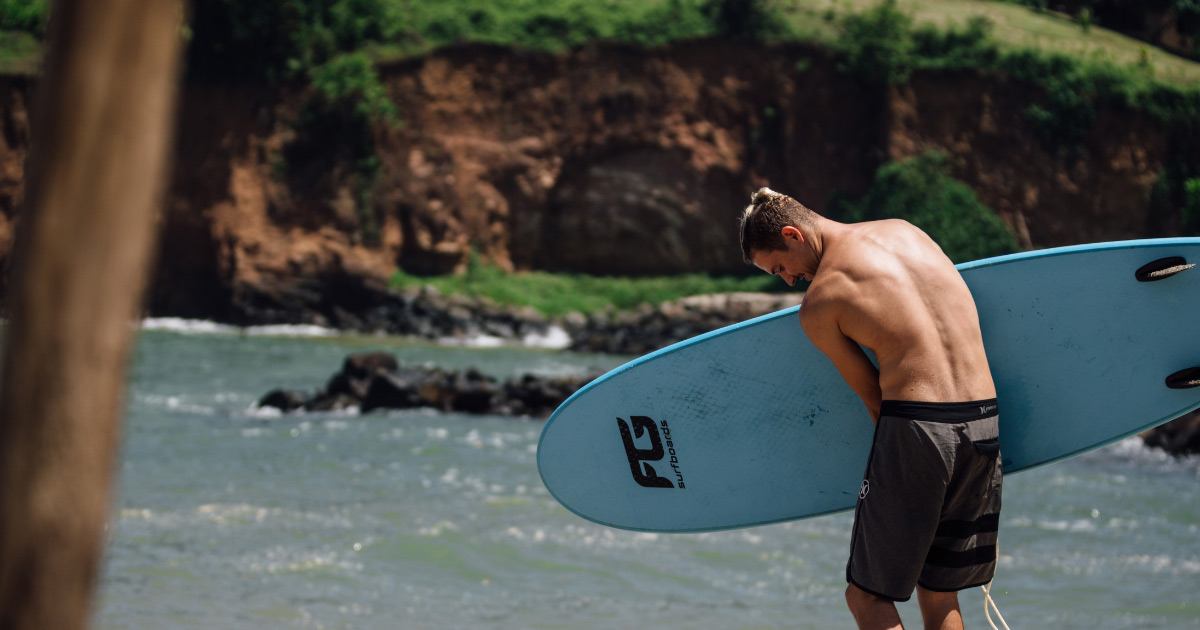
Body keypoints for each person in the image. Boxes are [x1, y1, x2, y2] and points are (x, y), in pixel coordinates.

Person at [738, 187, 1003, 630]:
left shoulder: (822, 303)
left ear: (793, 234)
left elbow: (874, 398)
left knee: (865, 597)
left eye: (781, 266)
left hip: (919, 428)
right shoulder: (905, 231)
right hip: (984, 422)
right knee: (939, 590)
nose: (787, 280)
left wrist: (900, 471)